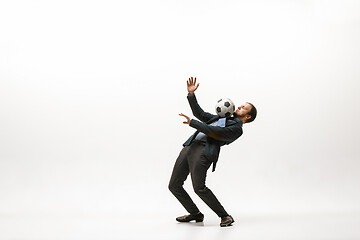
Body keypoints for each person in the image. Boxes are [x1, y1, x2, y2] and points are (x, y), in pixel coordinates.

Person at [168, 77, 257, 227]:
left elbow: (214, 132)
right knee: (174, 185)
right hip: (190, 146)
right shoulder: (223, 116)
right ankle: (195, 213)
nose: (239, 107)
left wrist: (193, 123)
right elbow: (201, 114)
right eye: (241, 105)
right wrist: (191, 95)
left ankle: (225, 216)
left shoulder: (237, 129)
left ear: (247, 116)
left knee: (199, 188)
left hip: (203, 151)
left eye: (243, 108)